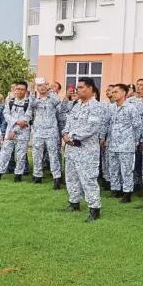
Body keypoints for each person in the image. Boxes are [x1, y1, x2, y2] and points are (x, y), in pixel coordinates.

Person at [61, 77, 102, 222]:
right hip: (71, 150)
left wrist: (71, 136)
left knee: (88, 179)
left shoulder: (96, 106)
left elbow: (91, 128)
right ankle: (74, 203)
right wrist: (65, 134)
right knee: (71, 177)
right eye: (77, 87)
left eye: (81, 87)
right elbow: (68, 123)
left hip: (86, 151)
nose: (78, 90)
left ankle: (94, 208)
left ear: (90, 89)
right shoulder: (76, 105)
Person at [100, 84, 142, 203]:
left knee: (126, 170)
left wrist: (135, 141)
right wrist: (102, 137)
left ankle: (127, 193)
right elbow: (105, 123)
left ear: (124, 93)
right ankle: (116, 190)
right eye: (112, 92)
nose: (113, 94)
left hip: (126, 145)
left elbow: (138, 126)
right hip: (112, 144)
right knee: (113, 168)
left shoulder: (131, 108)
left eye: (116, 92)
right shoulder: (111, 108)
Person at [0, 81, 32, 183]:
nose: (19, 91)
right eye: (18, 89)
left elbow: (26, 119)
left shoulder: (29, 103)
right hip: (10, 133)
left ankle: (18, 175)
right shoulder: (10, 101)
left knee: (21, 155)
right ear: (15, 90)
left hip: (22, 133)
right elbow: (6, 114)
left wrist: (15, 130)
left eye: (22, 89)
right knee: (4, 153)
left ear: (26, 91)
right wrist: (16, 122)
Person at [30, 77, 65, 189]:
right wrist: (33, 90)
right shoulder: (36, 100)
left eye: (44, 85)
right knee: (36, 154)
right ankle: (37, 176)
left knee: (53, 155)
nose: (42, 87)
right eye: (39, 86)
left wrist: (50, 91)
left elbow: (57, 101)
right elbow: (31, 103)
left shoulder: (52, 98)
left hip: (51, 131)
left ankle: (57, 178)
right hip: (38, 132)